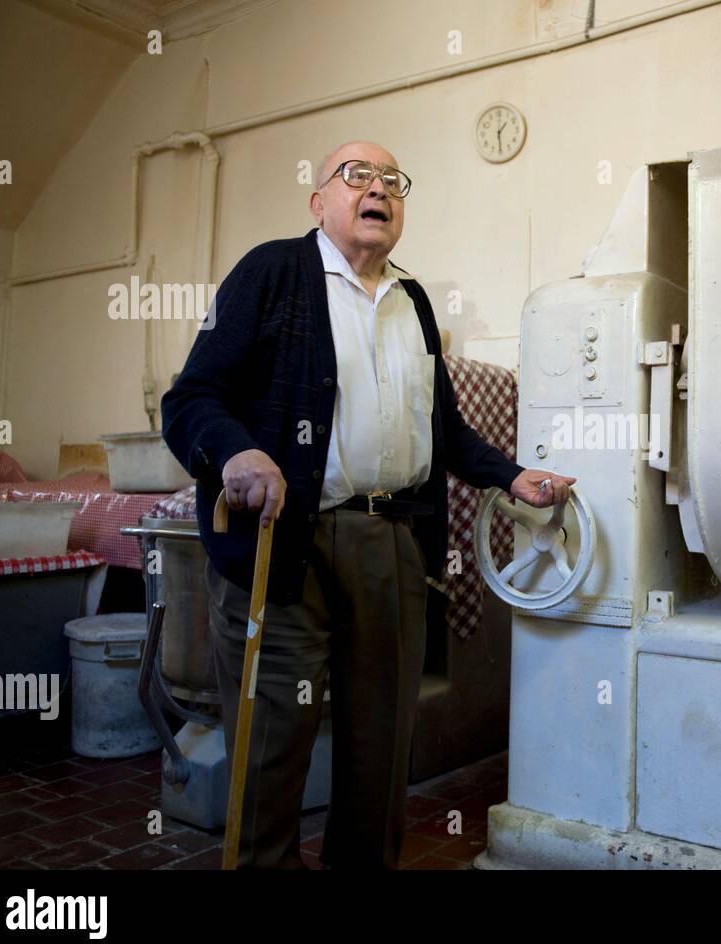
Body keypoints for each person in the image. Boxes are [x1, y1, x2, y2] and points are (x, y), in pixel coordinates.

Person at [162, 139, 574, 868]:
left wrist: (509, 476)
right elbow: (191, 397)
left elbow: (442, 428)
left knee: (380, 749)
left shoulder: (411, 302)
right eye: (356, 175)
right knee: (272, 746)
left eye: (391, 179)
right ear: (318, 201)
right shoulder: (272, 273)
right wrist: (235, 451)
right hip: (284, 544)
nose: (377, 188)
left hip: (388, 544)